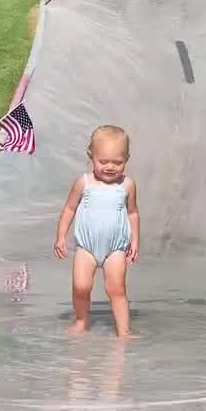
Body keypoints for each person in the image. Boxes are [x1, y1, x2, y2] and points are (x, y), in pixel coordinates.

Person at [54, 125, 139, 337]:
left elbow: (132, 214)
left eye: (117, 162)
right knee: (81, 286)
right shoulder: (84, 183)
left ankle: (124, 330)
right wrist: (61, 236)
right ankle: (81, 321)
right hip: (87, 248)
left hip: (115, 249)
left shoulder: (127, 185)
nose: (110, 167)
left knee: (117, 289)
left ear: (127, 159)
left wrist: (135, 241)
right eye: (103, 162)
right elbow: (69, 209)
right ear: (91, 156)